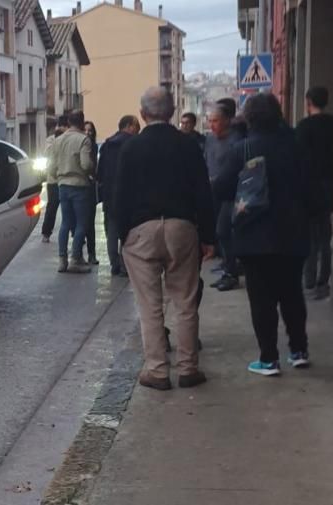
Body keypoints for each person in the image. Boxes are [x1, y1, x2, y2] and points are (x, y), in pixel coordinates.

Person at [114, 87, 216, 390]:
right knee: (185, 301)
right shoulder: (188, 145)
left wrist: (122, 236)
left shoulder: (130, 148)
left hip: (141, 231)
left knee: (150, 305)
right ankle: (188, 369)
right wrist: (208, 236)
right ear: (172, 112)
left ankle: (157, 371)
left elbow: (119, 196)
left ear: (143, 114)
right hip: (182, 227)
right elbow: (203, 192)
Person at [213, 93, 313, 376]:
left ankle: (269, 359)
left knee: (262, 300)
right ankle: (299, 350)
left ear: (250, 118)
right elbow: (311, 189)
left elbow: (221, 189)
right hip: (294, 233)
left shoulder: (243, 150)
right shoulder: (297, 146)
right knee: (293, 293)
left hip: (254, 235)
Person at [297, 86, 333, 300]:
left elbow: (297, 159)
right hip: (330, 185)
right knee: (326, 236)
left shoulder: (304, 127)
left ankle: (310, 279)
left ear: (308, 101)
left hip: (309, 187)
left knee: (311, 236)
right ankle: (324, 279)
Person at [47, 110, 95, 274]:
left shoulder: (58, 140)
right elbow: (86, 164)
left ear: (68, 122)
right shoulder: (84, 140)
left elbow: (51, 167)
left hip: (62, 185)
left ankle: (62, 260)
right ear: (81, 123)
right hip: (79, 185)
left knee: (66, 223)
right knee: (81, 223)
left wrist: (59, 176)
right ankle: (76, 258)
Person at [205, 103, 245, 291]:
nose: (212, 125)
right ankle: (228, 266)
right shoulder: (210, 140)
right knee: (220, 231)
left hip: (233, 193)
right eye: (210, 121)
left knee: (225, 230)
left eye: (216, 121)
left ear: (227, 121)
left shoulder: (236, 142)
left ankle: (232, 272)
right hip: (214, 192)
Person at [97, 115, 140, 277]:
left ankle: (114, 263)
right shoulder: (134, 144)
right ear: (129, 126)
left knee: (112, 230)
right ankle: (124, 265)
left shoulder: (107, 145)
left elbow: (100, 172)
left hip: (109, 194)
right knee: (127, 231)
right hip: (129, 194)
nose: (138, 131)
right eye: (136, 127)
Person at [40, 115, 68, 244]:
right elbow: (47, 153)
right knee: (52, 207)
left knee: (69, 208)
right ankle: (46, 232)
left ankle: (74, 231)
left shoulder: (69, 139)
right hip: (53, 179)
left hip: (66, 178)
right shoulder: (51, 140)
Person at [83, 121, 100, 265]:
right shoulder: (81, 145)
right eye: (85, 130)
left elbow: (94, 166)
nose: (88, 133)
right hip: (81, 186)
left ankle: (91, 254)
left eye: (90, 130)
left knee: (90, 223)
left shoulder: (93, 147)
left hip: (90, 187)